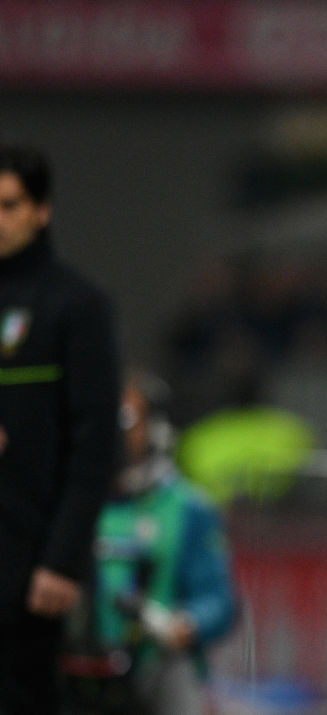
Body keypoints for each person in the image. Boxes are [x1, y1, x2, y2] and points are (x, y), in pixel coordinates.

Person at [0, 144, 121, 713]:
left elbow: (96, 446)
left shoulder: (75, 305)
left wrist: (62, 561)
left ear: (41, 210)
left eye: (9, 205)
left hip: (31, 566)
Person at [67, 370, 236, 714]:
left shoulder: (188, 507)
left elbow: (219, 601)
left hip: (157, 666)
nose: (114, 432)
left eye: (128, 420)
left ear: (156, 429)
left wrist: (186, 624)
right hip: (83, 668)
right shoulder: (76, 501)